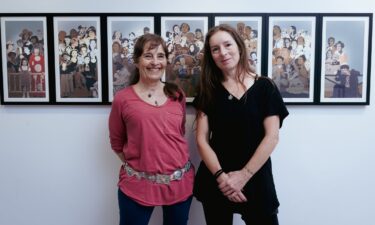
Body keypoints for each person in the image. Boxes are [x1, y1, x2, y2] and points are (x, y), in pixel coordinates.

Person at [192, 24, 289, 225]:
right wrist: (222, 178)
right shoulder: (208, 90)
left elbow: (272, 137)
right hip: (217, 179)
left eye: (227, 45)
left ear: (239, 46)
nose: (223, 52)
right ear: (211, 55)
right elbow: (201, 140)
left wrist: (243, 176)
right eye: (215, 49)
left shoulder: (265, 87)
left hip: (256, 177)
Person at [108, 33, 194, 225]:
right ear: (137, 61)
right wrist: (144, 166)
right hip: (137, 186)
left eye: (160, 56)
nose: (155, 62)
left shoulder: (177, 94)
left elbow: (178, 134)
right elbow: (117, 143)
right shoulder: (122, 99)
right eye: (148, 56)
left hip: (179, 184)